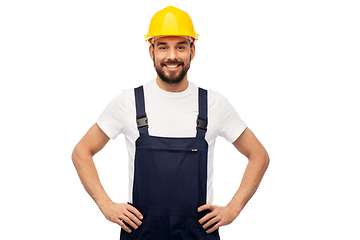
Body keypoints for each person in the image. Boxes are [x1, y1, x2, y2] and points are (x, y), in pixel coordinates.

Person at [72, 6, 269, 240]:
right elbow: (81, 151)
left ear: (192, 51)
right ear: (151, 51)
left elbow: (259, 155)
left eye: (181, 47)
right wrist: (105, 205)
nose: (172, 56)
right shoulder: (129, 102)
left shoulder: (214, 104)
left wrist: (233, 209)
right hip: (141, 231)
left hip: (198, 232)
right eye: (163, 46)